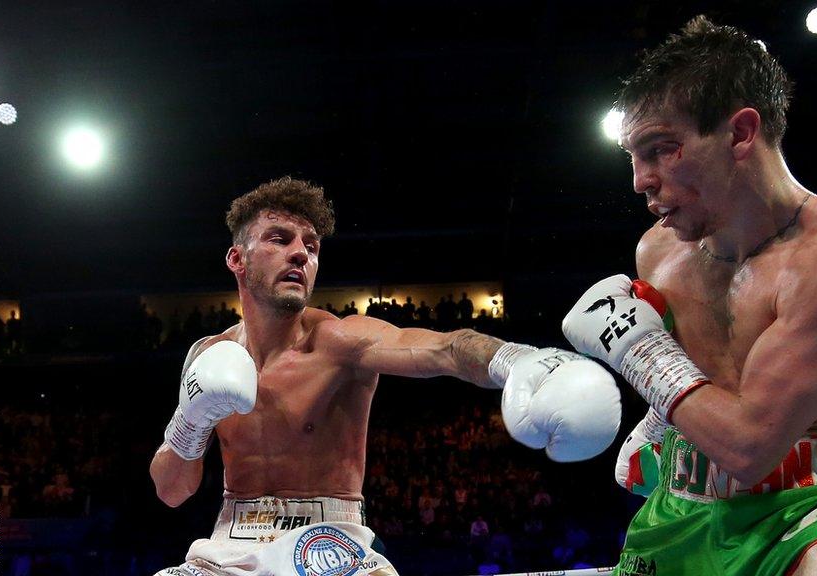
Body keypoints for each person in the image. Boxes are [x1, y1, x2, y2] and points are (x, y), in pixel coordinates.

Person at [561, 16, 817, 576]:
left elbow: (749, 449)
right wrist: (656, 427)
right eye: (633, 156)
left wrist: (636, 351)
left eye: (659, 150)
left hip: (808, 505)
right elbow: (703, 377)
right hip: (682, 502)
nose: (639, 181)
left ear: (741, 133)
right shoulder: (659, 251)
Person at [151, 176, 621, 576]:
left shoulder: (339, 341)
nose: (300, 255)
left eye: (311, 247)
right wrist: (191, 420)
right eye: (280, 239)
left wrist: (516, 359)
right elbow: (172, 492)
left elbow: (444, 349)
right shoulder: (207, 354)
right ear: (237, 259)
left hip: (328, 544)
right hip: (227, 545)